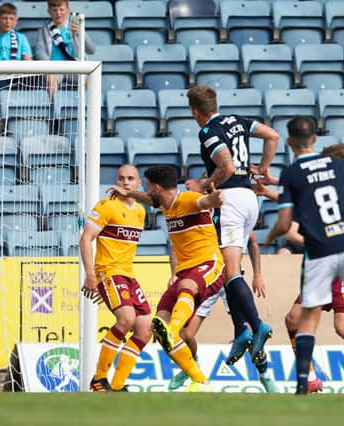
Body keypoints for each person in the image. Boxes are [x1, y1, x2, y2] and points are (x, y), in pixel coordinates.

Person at [265, 116, 344, 393]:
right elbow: (310, 194)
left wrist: (273, 231)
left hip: (337, 260)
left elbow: (305, 200)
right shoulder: (340, 183)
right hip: (333, 257)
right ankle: (309, 379)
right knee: (294, 318)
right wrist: (270, 187)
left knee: (341, 325)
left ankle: (308, 379)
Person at [109, 165, 226, 392]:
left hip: (209, 264)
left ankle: (173, 330)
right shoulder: (164, 202)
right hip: (184, 270)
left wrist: (215, 199)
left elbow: (205, 203)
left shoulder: (190, 199)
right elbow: (151, 200)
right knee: (157, 324)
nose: (146, 188)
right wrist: (129, 193)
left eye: (148, 185)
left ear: (157, 187)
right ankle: (200, 380)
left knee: (184, 293)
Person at [186, 85, 279, 365]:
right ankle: (241, 331)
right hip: (250, 198)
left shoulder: (207, 132)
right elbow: (273, 136)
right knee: (231, 268)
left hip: (231, 200)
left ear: (194, 112)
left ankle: (256, 325)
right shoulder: (238, 120)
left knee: (228, 273)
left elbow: (225, 167)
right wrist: (263, 168)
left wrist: (202, 187)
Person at [167, 231, 278, 393]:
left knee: (249, 334)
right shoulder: (197, 214)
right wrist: (174, 274)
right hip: (205, 277)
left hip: (230, 280)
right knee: (185, 334)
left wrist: (257, 274)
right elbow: (175, 245)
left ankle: (265, 375)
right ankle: (191, 366)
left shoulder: (227, 214)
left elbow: (252, 241)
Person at [80, 164, 152, 392]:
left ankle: (118, 383)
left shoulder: (140, 211)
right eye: (121, 178)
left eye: (131, 178)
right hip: (108, 272)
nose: (126, 182)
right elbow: (85, 239)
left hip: (128, 274)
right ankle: (99, 379)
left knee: (145, 329)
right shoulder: (106, 206)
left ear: (138, 183)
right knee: (126, 319)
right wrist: (91, 276)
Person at [35, 0, 96, 97]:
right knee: (50, 79)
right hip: (54, 69)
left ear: (67, 10)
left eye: (61, 9)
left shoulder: (76, 26)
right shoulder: (43, 31)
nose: (58, 13)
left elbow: (92, 50)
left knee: (89, 78)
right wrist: (49, 68)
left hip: (75, 67)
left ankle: (87, 109)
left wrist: (81, 33)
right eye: (54, 10)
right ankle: (54, 109)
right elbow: (39, 53)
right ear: (49, 11)